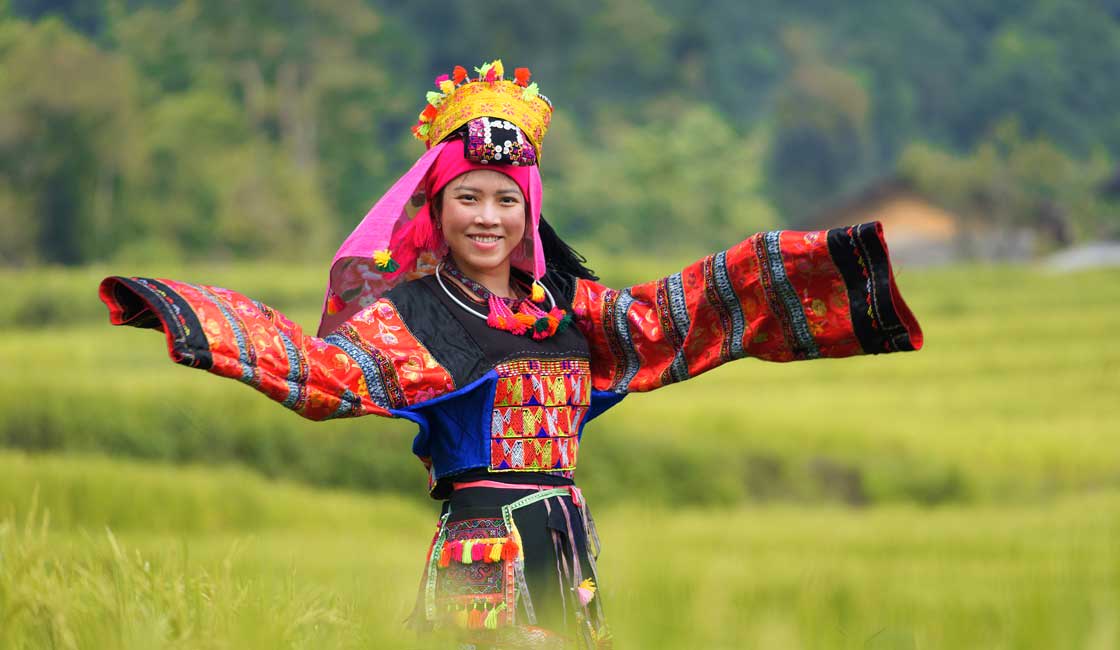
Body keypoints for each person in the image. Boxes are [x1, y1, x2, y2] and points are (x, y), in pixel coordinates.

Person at [99, 60, 923, 649]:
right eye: (468, 197)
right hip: (481, 553)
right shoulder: (413, 314)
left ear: (530, 212)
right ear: (437, 209)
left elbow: (671, 319)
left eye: (505, 199)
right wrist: (196, 318)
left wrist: (826, 263)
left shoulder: (569, 308)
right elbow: (326, 376)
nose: (487, 216)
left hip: (568, 542)